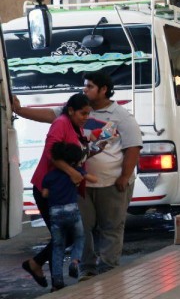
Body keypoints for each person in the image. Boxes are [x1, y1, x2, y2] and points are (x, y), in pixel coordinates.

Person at [15, 71, 143, 281]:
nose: (85, 89)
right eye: (85, 86)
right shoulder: (74, 112)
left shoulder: (121, 116)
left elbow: (133, 148)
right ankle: (87, 270)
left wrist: (124, 176)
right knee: (83, 228)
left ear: (103, 90)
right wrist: (19, 110)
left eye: (90, 86)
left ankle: (109, 271)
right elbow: (49, 115)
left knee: (110, 227)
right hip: (81, 185)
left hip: (112, 184)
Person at [20, 93, 93, 289]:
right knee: (62, 235)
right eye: (83, 113)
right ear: (71, 111)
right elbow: (52, 153)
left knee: (62, 235)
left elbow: (75, 153)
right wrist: (72, 172)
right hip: (49, 188)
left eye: (88, 113)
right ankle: (52, 280)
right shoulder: (61, 123)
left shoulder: (74, 125)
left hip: (62, 189)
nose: (86, 117)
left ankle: (43, 271)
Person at [43, 142, 97, 291]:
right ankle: (74, 261)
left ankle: (58, 280)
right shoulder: (76, 171)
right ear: (74, 159)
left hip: (55, 213)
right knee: (79, 237)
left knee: (58, 246)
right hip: (72, 210)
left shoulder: (49, 176)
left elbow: (44, 194)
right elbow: (94, 179)